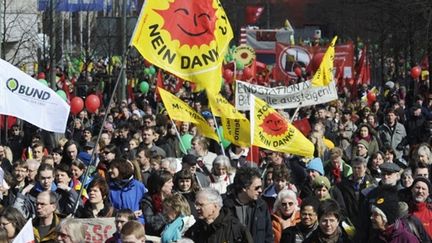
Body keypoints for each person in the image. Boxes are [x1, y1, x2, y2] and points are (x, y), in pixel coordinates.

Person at [223, 167, 274, 243]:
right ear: (244, 187)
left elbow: (268, 236)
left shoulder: (262, 206)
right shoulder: (224, 205)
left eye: (261, 187)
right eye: (257, 188)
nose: (260, 190)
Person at [186, 188, 253, 243]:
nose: (197, 208)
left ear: (215, 206)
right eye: (196, 205)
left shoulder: (235, 228)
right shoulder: (196, 229)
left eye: (201, 205)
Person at [108, 158, 147, 224]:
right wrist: (128, 216)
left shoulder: (138, 186)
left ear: (121, 168)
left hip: (135, 225)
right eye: (109, 168)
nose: (109, 170)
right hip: (117, 225)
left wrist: (140, 219)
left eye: (112, 168)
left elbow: (145, 207)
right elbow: (108, 210)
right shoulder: (109, 188)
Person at [142, 170, 173, 236]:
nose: (172, 184)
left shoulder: (173, 197)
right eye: (169, 182)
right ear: (160, 185)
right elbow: (151, 224)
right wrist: (167, 214)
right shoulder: (148, 200)